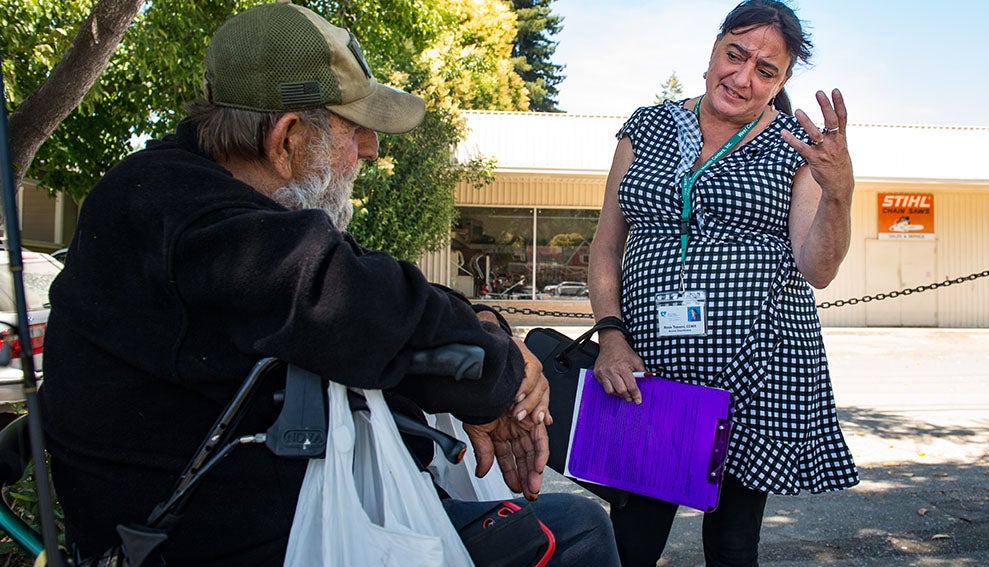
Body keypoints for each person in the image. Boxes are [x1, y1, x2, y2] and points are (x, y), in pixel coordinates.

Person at [38, 1, 617, 565]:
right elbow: (350, 300)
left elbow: (370, 277)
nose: (372, 148)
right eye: (356, 129)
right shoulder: (184, 214)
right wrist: (502, 372)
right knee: (578, 529)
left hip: (256, 510)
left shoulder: (203, 193)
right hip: (208, 539)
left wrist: (486, 332)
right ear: (287, 139)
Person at [587, 1, 859, 564]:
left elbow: (819, 270)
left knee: (734, 545)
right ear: (714, 48)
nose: (743, 78)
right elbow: (607, 246)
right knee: (630, 541)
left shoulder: (795, 145)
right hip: (650, 371)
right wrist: (611, 335)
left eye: (767, 70)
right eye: (735, 55)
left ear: (782, 81)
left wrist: (839, 191)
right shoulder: (647, 126)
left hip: (756, 373)